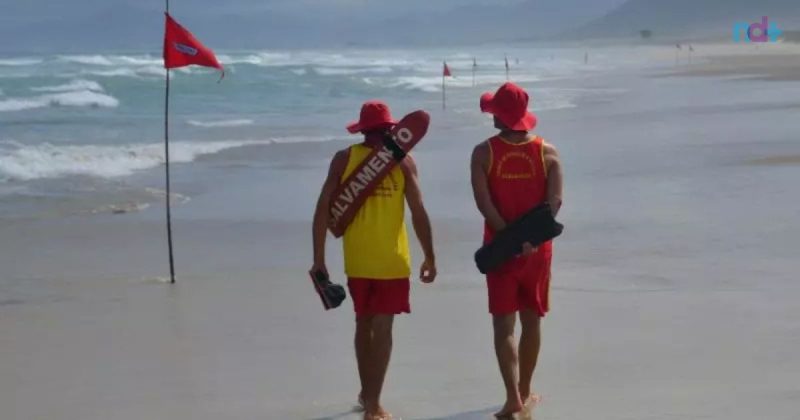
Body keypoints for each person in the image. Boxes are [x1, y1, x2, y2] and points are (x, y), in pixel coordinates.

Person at [311, 100, 437, 420]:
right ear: (392, 130)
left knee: (363, 323)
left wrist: (319, 259)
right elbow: (418, 211)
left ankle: (367, 393)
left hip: (358, 260)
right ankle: (374, 405)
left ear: (363, 129)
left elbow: (323, 208)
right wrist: (429, 255)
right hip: (392, 261)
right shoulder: (404, 161)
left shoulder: (344, 158)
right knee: (383, 329)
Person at [470, 82, 563, 418]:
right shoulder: (547, 152)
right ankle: (524, 390)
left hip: (501, 250)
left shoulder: (483, 153)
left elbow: (484, 203)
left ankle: (512, 397)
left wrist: (509, 239)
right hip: (537, 253)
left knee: (504, 325)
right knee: (532, 321)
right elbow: (554, 204)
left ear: (499, 116)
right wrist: (530, 240)